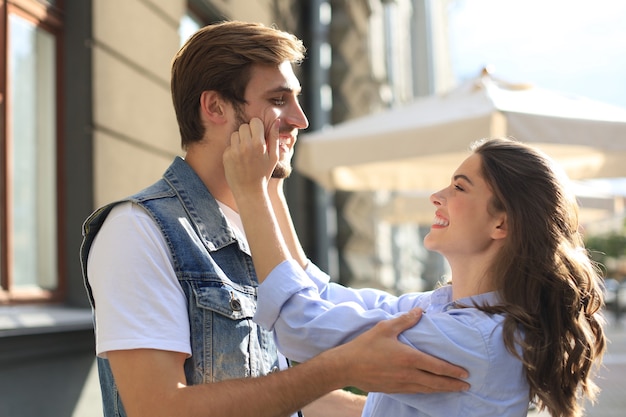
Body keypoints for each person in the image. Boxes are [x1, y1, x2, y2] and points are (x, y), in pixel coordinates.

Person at [79, 20, 470, 417]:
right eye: (279, 99)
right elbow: (159, 408)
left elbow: (272, 388)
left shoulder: (254, 224)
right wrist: (343, 366)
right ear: (214, 107)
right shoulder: (137, 230)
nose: (300, 119)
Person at [223, 134, 607, 417]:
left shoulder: (475, 339)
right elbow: (319, 293)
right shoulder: (443, 311)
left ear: (501, 222)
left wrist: (250, 191)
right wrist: (273, 185)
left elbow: (299, 324)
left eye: (459, 187)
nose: (437, 195)